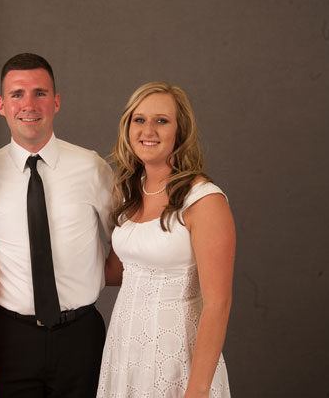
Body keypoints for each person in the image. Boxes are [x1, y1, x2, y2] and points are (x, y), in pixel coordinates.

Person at [0, 53, 113, 397]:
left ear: (56, 102)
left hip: (80, 336)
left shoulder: (91, 167)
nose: (28, 104)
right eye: (17, 94)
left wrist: (94, 272)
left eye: (40, 93)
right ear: (1, 105)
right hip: (8, 338)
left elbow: (129, 242)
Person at [97, 82, 235, 398]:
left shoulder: (203, 200)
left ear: (180, 131)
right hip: (125, 350)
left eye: (162, 120)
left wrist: (197, 390)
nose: (149, 129)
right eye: (139, 119)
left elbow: (218, 303)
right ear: (127, 127)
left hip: (177, 357)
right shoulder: (129, 192)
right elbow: (119, 272)